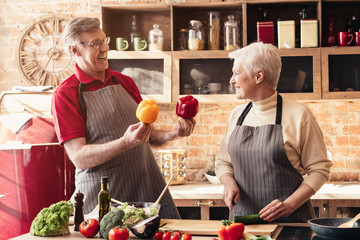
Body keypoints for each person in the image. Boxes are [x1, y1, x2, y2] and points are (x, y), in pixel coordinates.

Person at [52, 17, 196, 219]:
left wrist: (173, 133)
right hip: (104, 201)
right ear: (75, 50)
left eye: (104, 40)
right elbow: (80, 157)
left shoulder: (125, 82)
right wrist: (125, 142)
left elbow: (147, 134)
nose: (104, 48)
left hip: (146, 190)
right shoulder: (66, 94)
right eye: (95, 44)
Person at [215, 42, 332, 222]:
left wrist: (289, 205)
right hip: (242, 224)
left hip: (291, 224)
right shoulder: (236, 115)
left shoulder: (299, 115)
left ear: (259, 76)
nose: (232, 80)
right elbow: (223, 162)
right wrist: (228, 182)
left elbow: (319, 170)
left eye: (237, 73)